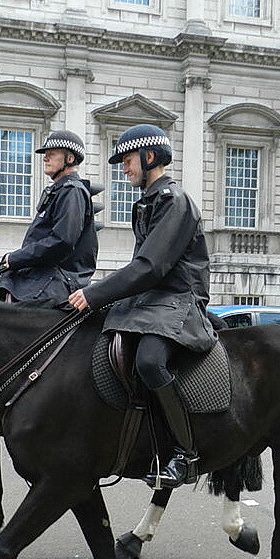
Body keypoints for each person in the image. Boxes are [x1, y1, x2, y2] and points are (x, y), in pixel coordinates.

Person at [68, 123, 216, 490]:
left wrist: (95, 293)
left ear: (149, 157)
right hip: (151, 300)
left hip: (177, 300)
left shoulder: (174, 202)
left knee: (149, 360)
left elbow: (150, 267)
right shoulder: (150, 200)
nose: (123, 168)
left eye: (128, 160)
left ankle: (186, 452)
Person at [0, 130, 98, 306]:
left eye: (51, 154)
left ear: (70, 159)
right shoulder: (61, 190)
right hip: (44, 273)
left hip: (59, 277)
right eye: (46, 154)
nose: (45, 158)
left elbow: (62, 241)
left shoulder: (72, 191)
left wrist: (15, 258)